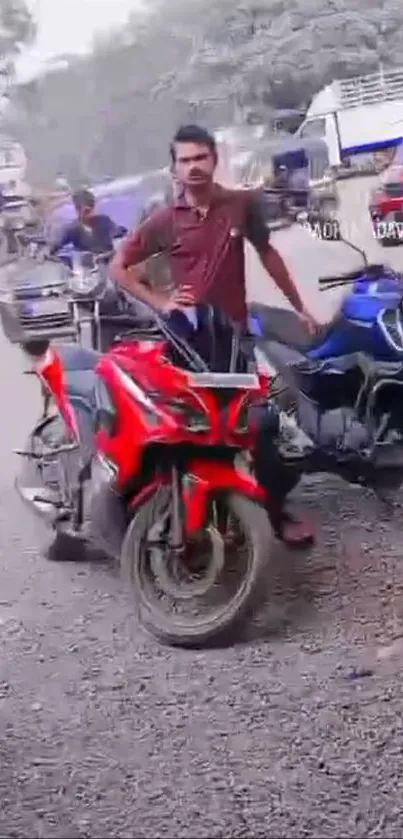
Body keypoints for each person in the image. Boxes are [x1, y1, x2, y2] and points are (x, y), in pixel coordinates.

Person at [110, 124, 320, 546]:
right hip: (186, 343)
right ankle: (192, 511)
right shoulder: (165, 221)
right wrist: (161, 301)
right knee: (190, 428)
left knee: (260, 426)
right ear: (173, 169)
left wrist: (300, 306)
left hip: (235, 339)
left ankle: (274, 513)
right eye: (184, 160)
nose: (193, 167)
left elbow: (269, 254)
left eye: (200, 157)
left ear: (214, 159)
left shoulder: (240, 205)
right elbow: (119, 268)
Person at [49, 188, 124, 256]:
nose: (91, 214)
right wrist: (48, 252)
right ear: (78, 210)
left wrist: (120, 234)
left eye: (92, 210)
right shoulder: (72, 229)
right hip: (87, 268)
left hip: (108, 262)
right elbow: (56, 245)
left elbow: (117, 232)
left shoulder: (104, 221)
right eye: (86, 211)